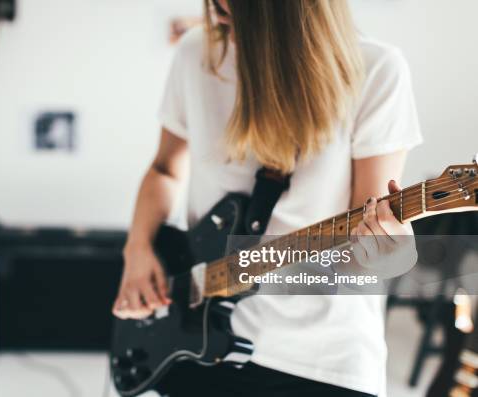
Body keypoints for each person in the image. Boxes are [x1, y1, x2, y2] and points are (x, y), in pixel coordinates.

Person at [113, 0, 423, 396]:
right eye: (218, 11)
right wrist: (137, 249)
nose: (223, 25)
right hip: (195, 338)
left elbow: (367, 241)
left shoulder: (377, 71)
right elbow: (164, 170)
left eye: (235, 14)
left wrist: (389, 249)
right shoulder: (196, 54)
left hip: (323, 359)